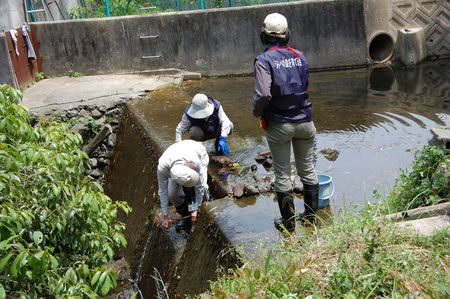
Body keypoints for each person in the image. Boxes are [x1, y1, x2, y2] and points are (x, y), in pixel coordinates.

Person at [251, 12, 319, 233]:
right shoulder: (299, 55)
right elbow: (304, 85)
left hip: (280, 124)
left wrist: (256, 112)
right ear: (286, 34)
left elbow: (263, 94)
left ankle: (288, 224)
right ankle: (310, 219)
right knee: (307, 169)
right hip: (305, 122)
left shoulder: (263, 61)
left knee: (282, 174)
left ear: (264, 36)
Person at [157, 140, 209, 231]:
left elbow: (199, 186)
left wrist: (196, 207)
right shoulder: (163, 169)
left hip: (196, 154)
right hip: (174, 165)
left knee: (204, 187)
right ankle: (186, 215)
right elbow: (162, 192)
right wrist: (165, 216)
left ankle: (204, 207)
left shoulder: (195, 162)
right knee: (172, 194)